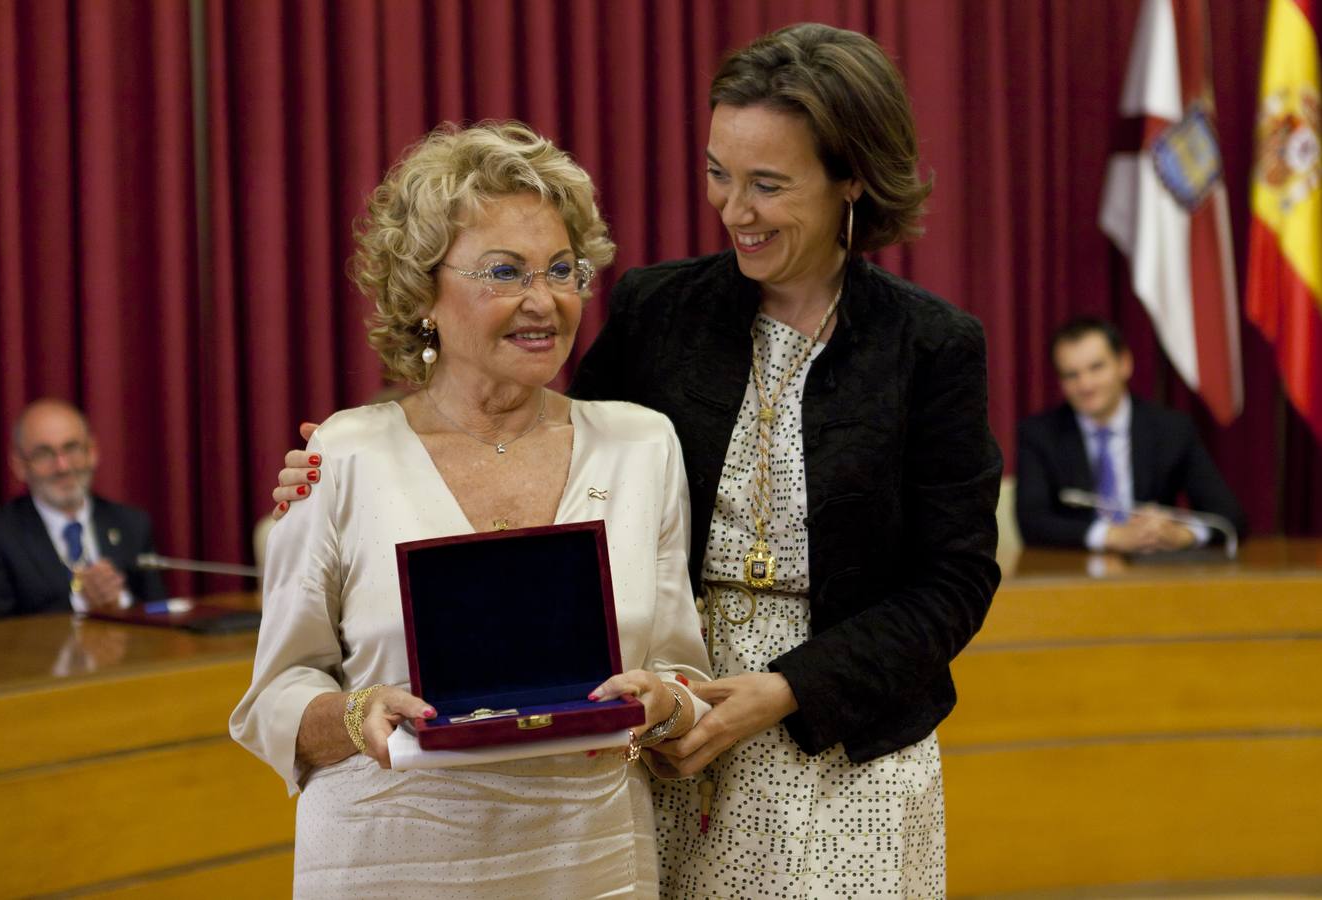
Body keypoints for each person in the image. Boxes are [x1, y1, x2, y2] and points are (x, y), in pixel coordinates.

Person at [277, 24, 1002, 897]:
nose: (735, 209)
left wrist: (785, 689)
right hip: (664, 739)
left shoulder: (930, 345)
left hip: (843, 735)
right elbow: (531, 429)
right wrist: (353, 454)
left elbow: (954, 580)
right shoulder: (664, 310)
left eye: (768, 184)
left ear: (850, 178)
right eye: (718, 172)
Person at [230, 122, 712, 898]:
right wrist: (357, 717)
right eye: (504, 272)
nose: (543, 300)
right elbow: (274, 701)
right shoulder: (341, 456)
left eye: (563, 269)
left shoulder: (641, 445)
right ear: (424, 290)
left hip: (587, 860)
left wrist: (665, 704)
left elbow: (683, 673)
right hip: (389, 855)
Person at [1015, 316, 1246, 552]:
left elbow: (1229, 518)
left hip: (1153, 572)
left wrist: (1182, 535)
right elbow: (1032, 523)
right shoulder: (1039, 434)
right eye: (1071, 375)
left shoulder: (1171, 429)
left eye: (1096, 368)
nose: (1085, 385)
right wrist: (1112, 536)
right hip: (1073, 575)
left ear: (1124, 364)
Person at [0, 398, 167, 619]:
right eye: (44, 454)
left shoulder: (132, 524)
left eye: (71, 448)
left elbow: (158, 612)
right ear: (19, 466)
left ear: (92, 453)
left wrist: (120, 600)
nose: (62, 466)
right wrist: (82, 603)